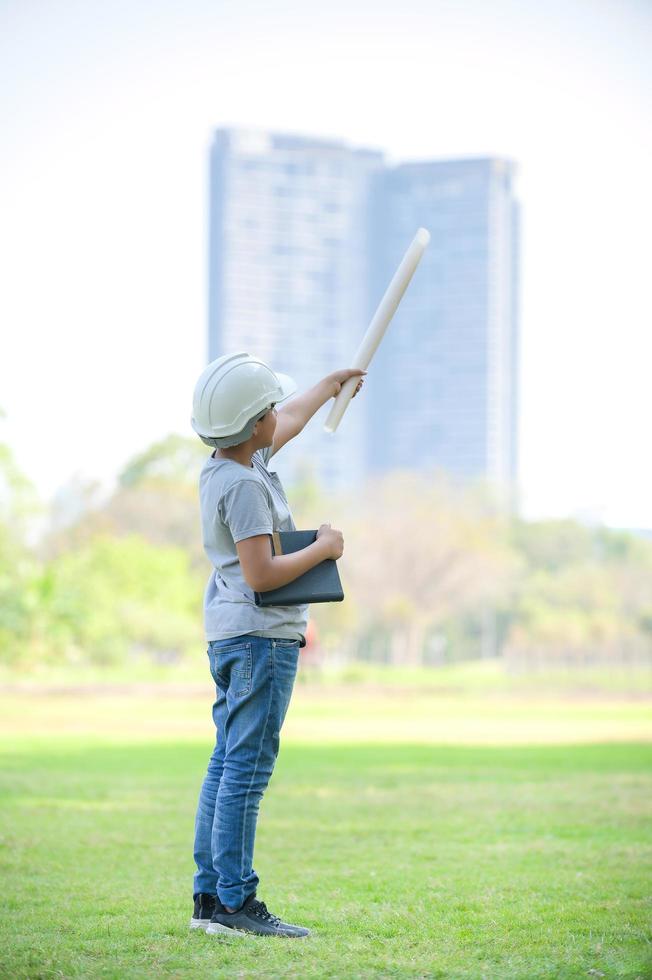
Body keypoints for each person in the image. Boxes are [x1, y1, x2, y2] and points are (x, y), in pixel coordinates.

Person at [189, 351, 365, 939]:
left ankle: (212, 899)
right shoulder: (244, 486)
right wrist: (325, 546)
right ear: (251, 425)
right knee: (247, 769)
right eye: (266, 408)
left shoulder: (230, 463)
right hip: (261, 641)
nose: (275, 414)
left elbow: (286, 419)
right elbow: (262, 575)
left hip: (233, 636)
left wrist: (327, 386)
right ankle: (237, 903)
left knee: (226, 764)